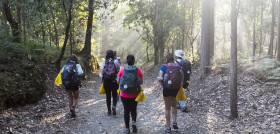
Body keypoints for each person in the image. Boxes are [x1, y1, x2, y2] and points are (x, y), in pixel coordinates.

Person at [117, 54, 143, 134]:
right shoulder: (138, 70)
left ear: (127, 61)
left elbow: (118, 81)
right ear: (134, 61)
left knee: (126, 110)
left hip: (124, 94)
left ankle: (127, 129)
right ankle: (134, 123)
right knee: (134, 109)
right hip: (135, 94)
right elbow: (141, 82)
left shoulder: (122, 69)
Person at [158, 53, 183, 133]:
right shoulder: (178, 66)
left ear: (166, 59)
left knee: (167, 108)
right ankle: (174, 121)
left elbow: (160, 78)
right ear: (173, 59)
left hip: (166, 89)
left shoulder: (163, 67)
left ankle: (168, 127)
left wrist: (163, 83)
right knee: (174, 106)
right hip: (176, 88)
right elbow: (182, 77)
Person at [100, 50, 120, 115]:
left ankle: (109, 110)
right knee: (114, 95)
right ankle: (114, 106)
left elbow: (102, 73)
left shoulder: (104, 62)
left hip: (106, 81)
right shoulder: (116, 61)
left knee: (108, 95)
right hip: (114, 81)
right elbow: (118, 70)